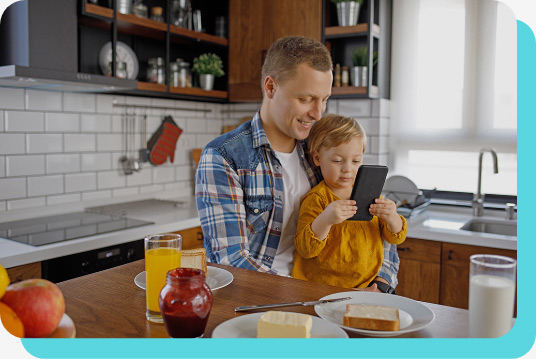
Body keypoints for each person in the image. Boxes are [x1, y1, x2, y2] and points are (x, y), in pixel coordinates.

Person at [195, 36, 400, 292]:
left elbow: (374, 227)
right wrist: (310, 293)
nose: (318, 113)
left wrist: (379, 285)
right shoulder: (224, 157)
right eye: (306, 99)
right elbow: (230, 261)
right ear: (271, 87)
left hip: (332, 300)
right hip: (263, 303)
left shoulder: (322, 151)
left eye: (324, 99)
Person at [291, 114, 408, 290]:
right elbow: (306, 249)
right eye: (337, 161)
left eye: (356, 161)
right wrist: (325, 220)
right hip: (325, 290)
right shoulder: (317, 199)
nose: (347, 169)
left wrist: (392, 218)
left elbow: (394, 237)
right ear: (317, 158)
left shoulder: (369, 193)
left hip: (367, 287)